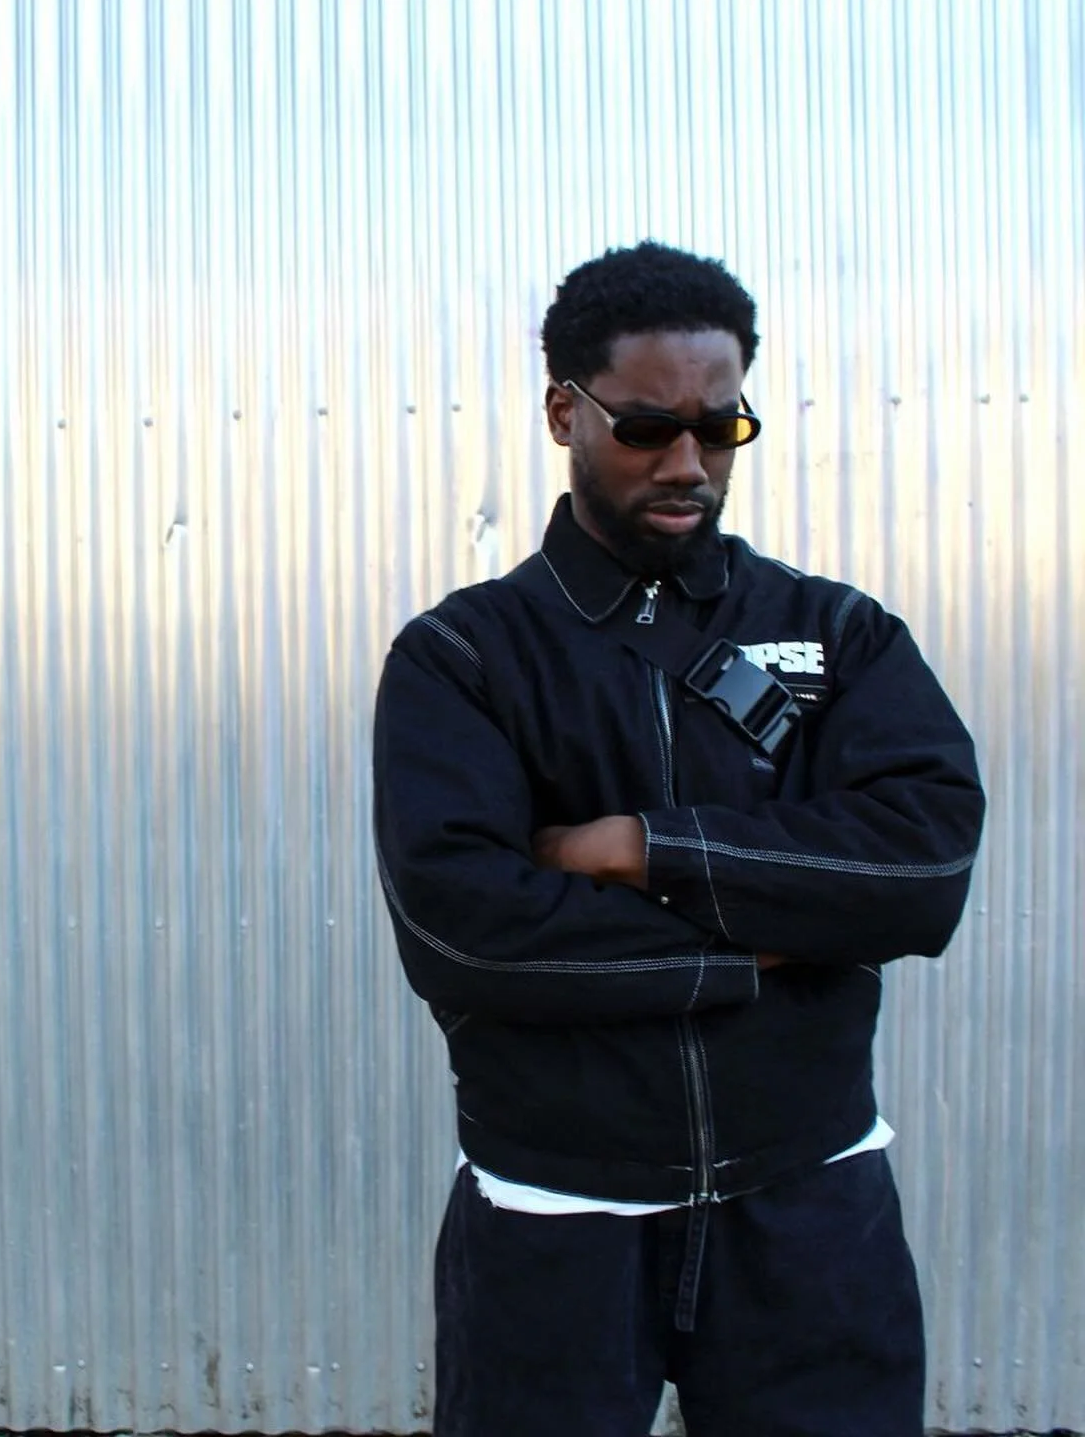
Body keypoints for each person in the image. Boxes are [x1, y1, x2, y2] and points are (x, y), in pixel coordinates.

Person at [372, 240, 986, 1437]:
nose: (689, 464)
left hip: (810, 1203)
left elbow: (921, 870)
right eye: (649, 427)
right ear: (566, 412)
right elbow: (467, 935)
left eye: (722, 427)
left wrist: (641, 850)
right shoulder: (463, 658)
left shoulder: (838, 633)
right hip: (556, 1215)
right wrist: (761, 950)